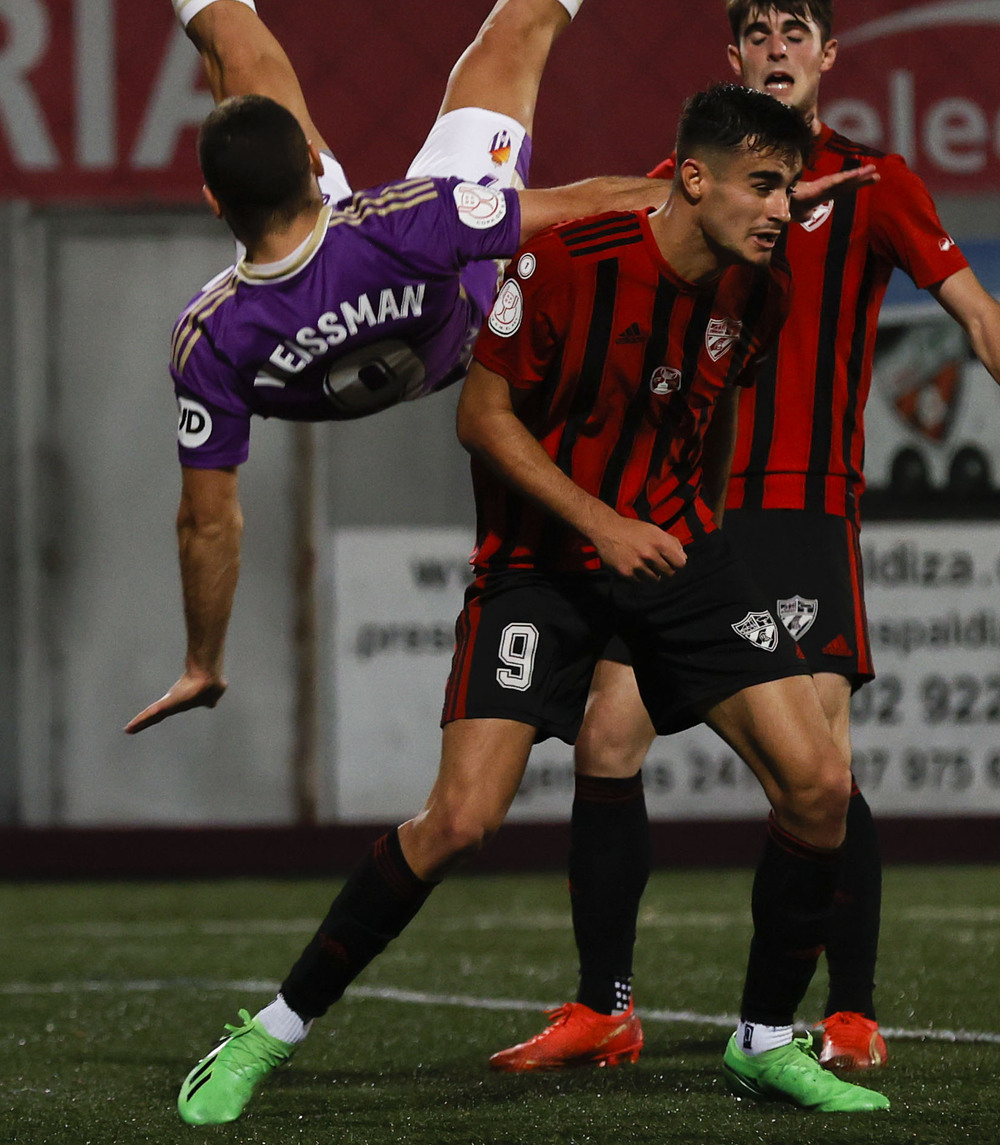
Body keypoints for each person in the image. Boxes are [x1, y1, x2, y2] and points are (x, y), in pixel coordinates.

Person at [168, 75, 889, 1124]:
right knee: (459, 818)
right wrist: (599, 521)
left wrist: (701, 528)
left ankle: (764, 1037)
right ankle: (267, 1029)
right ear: (692, 178)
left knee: (818, 783)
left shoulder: (757, 286)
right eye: (763, 185)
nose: (783, 208)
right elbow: (483, 418)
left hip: (673, 550)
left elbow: (713, 413)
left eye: (788, 187)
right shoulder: (567, 263)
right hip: (539, 564)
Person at [112, 0, 675, 738]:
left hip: (351, 313)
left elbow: (208, 520)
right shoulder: (407, 221)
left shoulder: (209, 341)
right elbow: (595, 203)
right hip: (447, 300)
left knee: (233, 41)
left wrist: (202, 658)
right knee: (519, 29)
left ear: (210, 200)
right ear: (317, 165)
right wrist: (705, 193)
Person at [490, 0, 1000, 1078]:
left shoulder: (874, 183)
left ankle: (850, 1008)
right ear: (734, 61)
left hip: (799, 505)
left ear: (828, 55)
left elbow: (973, 312)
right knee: (607, 740)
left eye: (796, 31)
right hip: (678, 510)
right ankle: (603, 1003)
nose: (776, 47)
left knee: (816, 766)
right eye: (758, 32)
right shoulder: (697, 185)